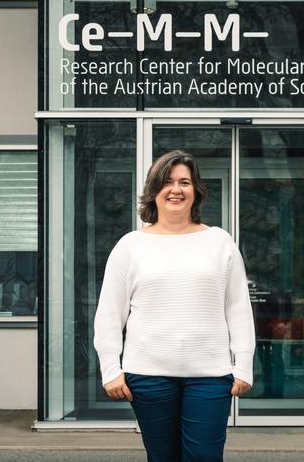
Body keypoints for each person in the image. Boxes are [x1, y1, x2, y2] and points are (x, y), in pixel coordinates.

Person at [94, 150, 255, 462]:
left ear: (195, 191)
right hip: (147, 375)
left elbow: (237, 307)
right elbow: (110, 314)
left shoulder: (220, 242)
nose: (176, 189)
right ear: (154, 191)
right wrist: (110, 369)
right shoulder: (130, 246)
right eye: (167, 182)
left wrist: (244, 364)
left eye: (184, 182)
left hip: (210, 375)